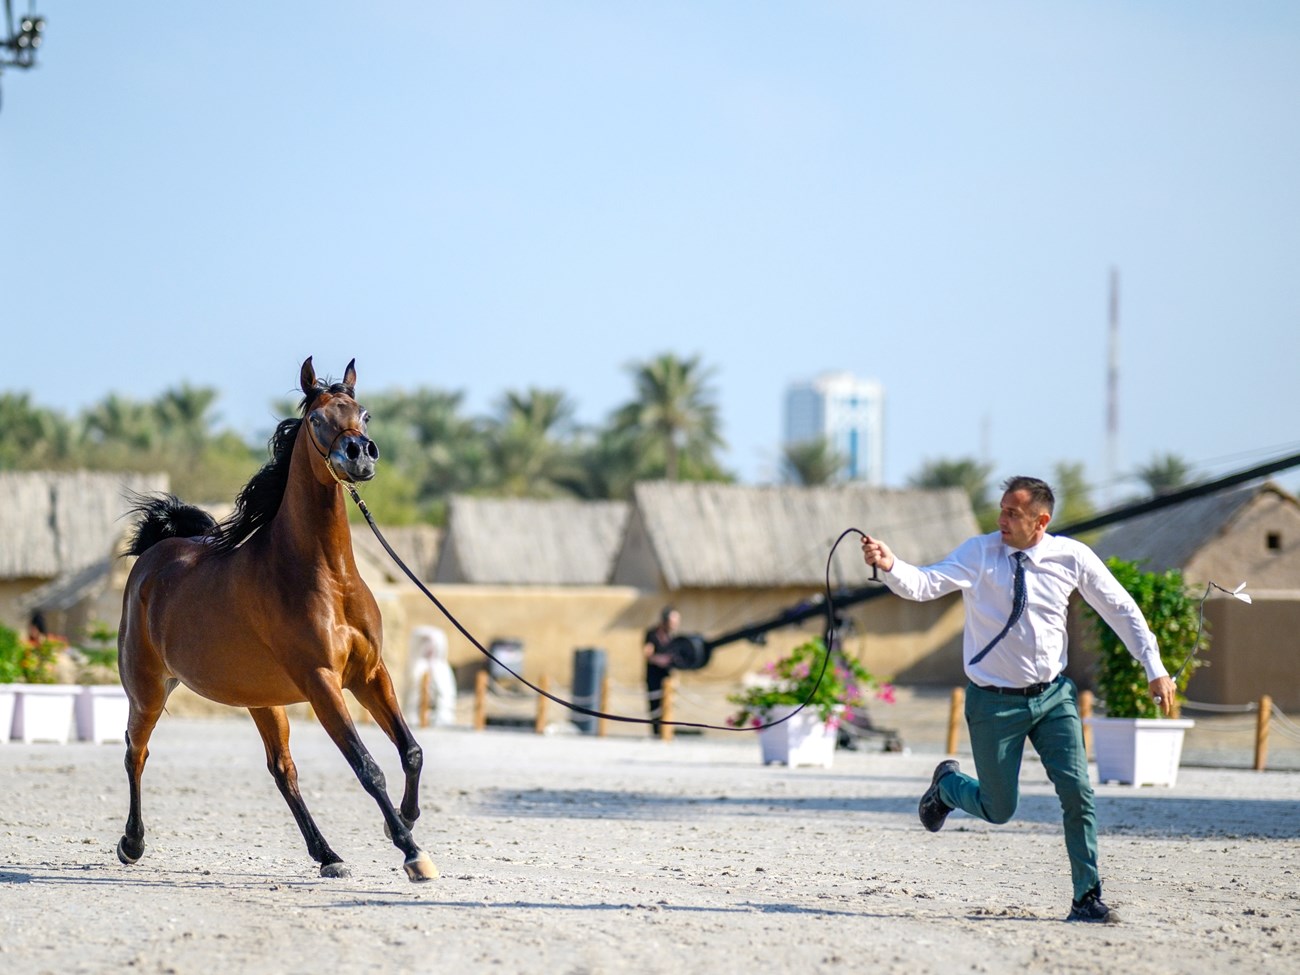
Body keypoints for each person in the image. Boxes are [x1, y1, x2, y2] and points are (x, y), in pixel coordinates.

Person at [861, 475, 1175, 924]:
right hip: (993, 702)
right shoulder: (979, 553)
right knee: (998, 808)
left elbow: (1119, 608)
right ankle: (948, 786)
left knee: (1078, 793)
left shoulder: (1072, 556)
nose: (1001, 519)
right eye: (1002, 509)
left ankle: (1086, 896)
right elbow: (925, 584)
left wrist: (1154, 666)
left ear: (1041, 521)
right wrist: (892, 565)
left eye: (1013, 513)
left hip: (1053, 698)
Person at [408, 626, 457, 727]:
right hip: (416, 715)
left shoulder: (443, 668)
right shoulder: (417, 666)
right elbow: (411, 693)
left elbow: (445, 694)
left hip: (438, 717)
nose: (430, 647)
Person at [643, 606, 680, 737]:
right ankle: (656, 732)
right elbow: (648, 653)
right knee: (655, 705)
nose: (675, 624)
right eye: (673, 621)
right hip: (654, 676)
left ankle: (666, 732)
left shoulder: (671, 636)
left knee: (668, 704)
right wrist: (661, 660)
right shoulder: (653, 634)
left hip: (667, 676)